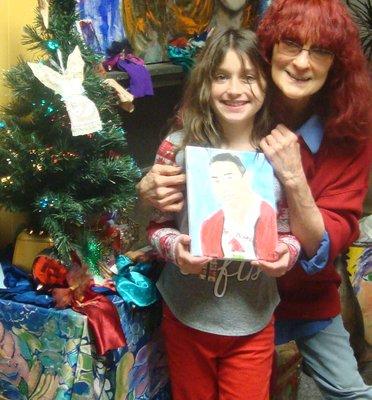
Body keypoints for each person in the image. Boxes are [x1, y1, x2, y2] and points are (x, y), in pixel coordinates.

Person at [137, 0, 372, 398]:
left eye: (320, 50)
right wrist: (147, 193)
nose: (301, 62)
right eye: (292, 44)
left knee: (349, 391)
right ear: (269, 56)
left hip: (293, 299)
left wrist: (294, 182)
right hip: (202, 306)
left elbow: (330, 235)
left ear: (336, 64)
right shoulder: (221, 119)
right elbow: (163, 210)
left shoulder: (340, 137)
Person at [146, 28, 300, 400]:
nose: (234, 89)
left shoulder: (278, 152)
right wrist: (176, 249)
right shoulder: (177, 147)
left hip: (252, 322)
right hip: (186, 317)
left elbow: (288, 232)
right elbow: (156, 227)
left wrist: (287, 254)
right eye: (221, 76)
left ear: (265, 84)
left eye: (248, 77)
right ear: (206, 83)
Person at [201, 152, 277, 260]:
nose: (223, 186)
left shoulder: (267, 214)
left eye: (229, 178)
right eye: (216, 180)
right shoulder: (209, 226)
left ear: (245, 178)